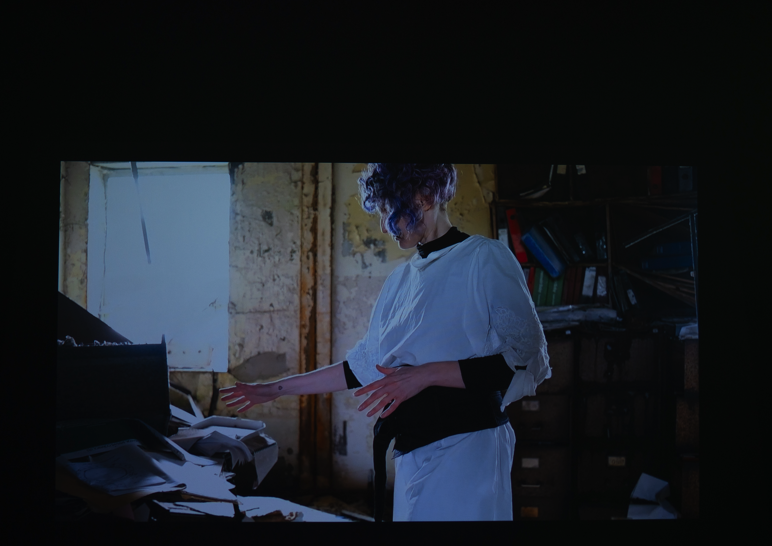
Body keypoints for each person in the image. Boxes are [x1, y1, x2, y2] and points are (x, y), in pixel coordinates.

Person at [219, 164, 549, 521]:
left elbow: (520, 360)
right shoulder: (400, 281)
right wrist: (276, 389)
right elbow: (360, 368)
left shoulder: (484, 258)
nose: (383, 226)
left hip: (470, 447)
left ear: (424, 197)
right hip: (413, 450)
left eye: (389, 210)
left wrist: (424, 375)